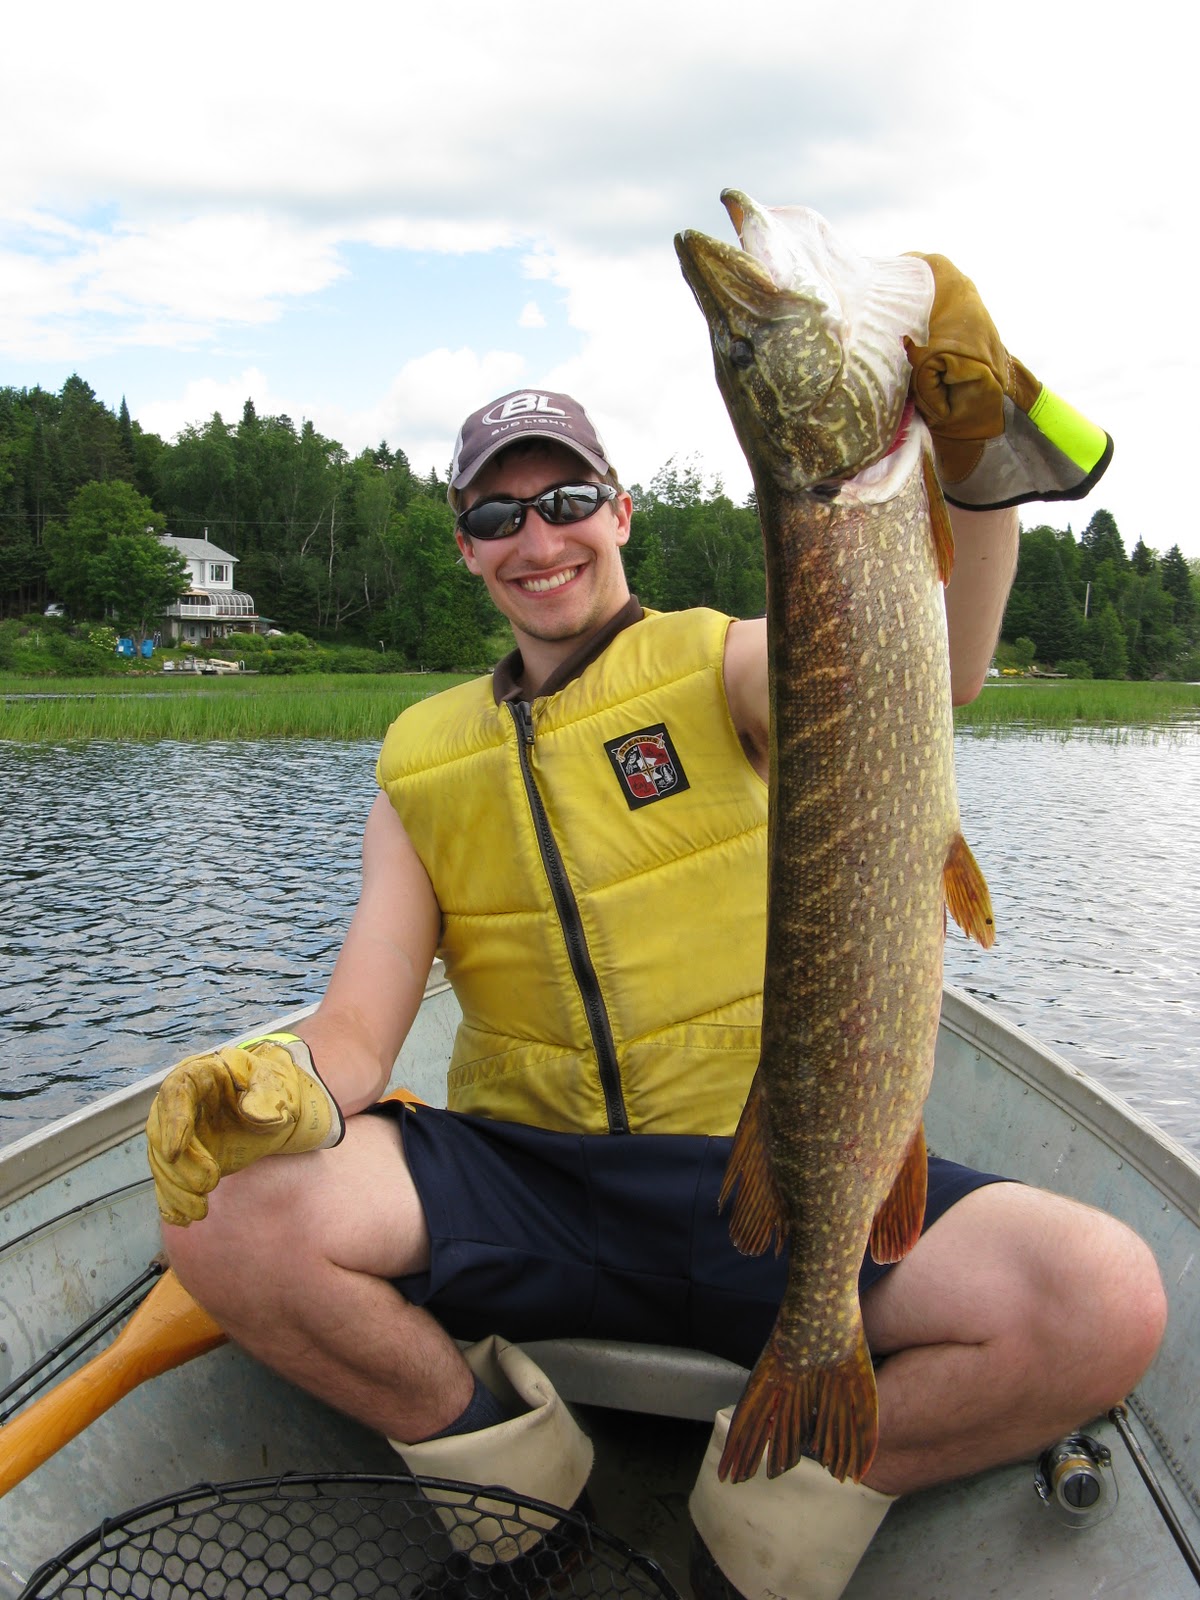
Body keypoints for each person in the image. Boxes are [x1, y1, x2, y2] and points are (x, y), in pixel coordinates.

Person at [147, 265, 1166, 1600]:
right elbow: (356, 1032)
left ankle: (756, 1527)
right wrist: (275, 1082)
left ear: (620, 511)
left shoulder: (721, 663)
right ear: (465, 544)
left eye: (567, 497)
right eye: (499, 511)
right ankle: (517, 1504)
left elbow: (932, 675)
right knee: (218, 1213)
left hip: (767, 1177)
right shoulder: (419, 762)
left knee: (1104, 1298)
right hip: (530, 1180)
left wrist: (974, 481)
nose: (540, 534)